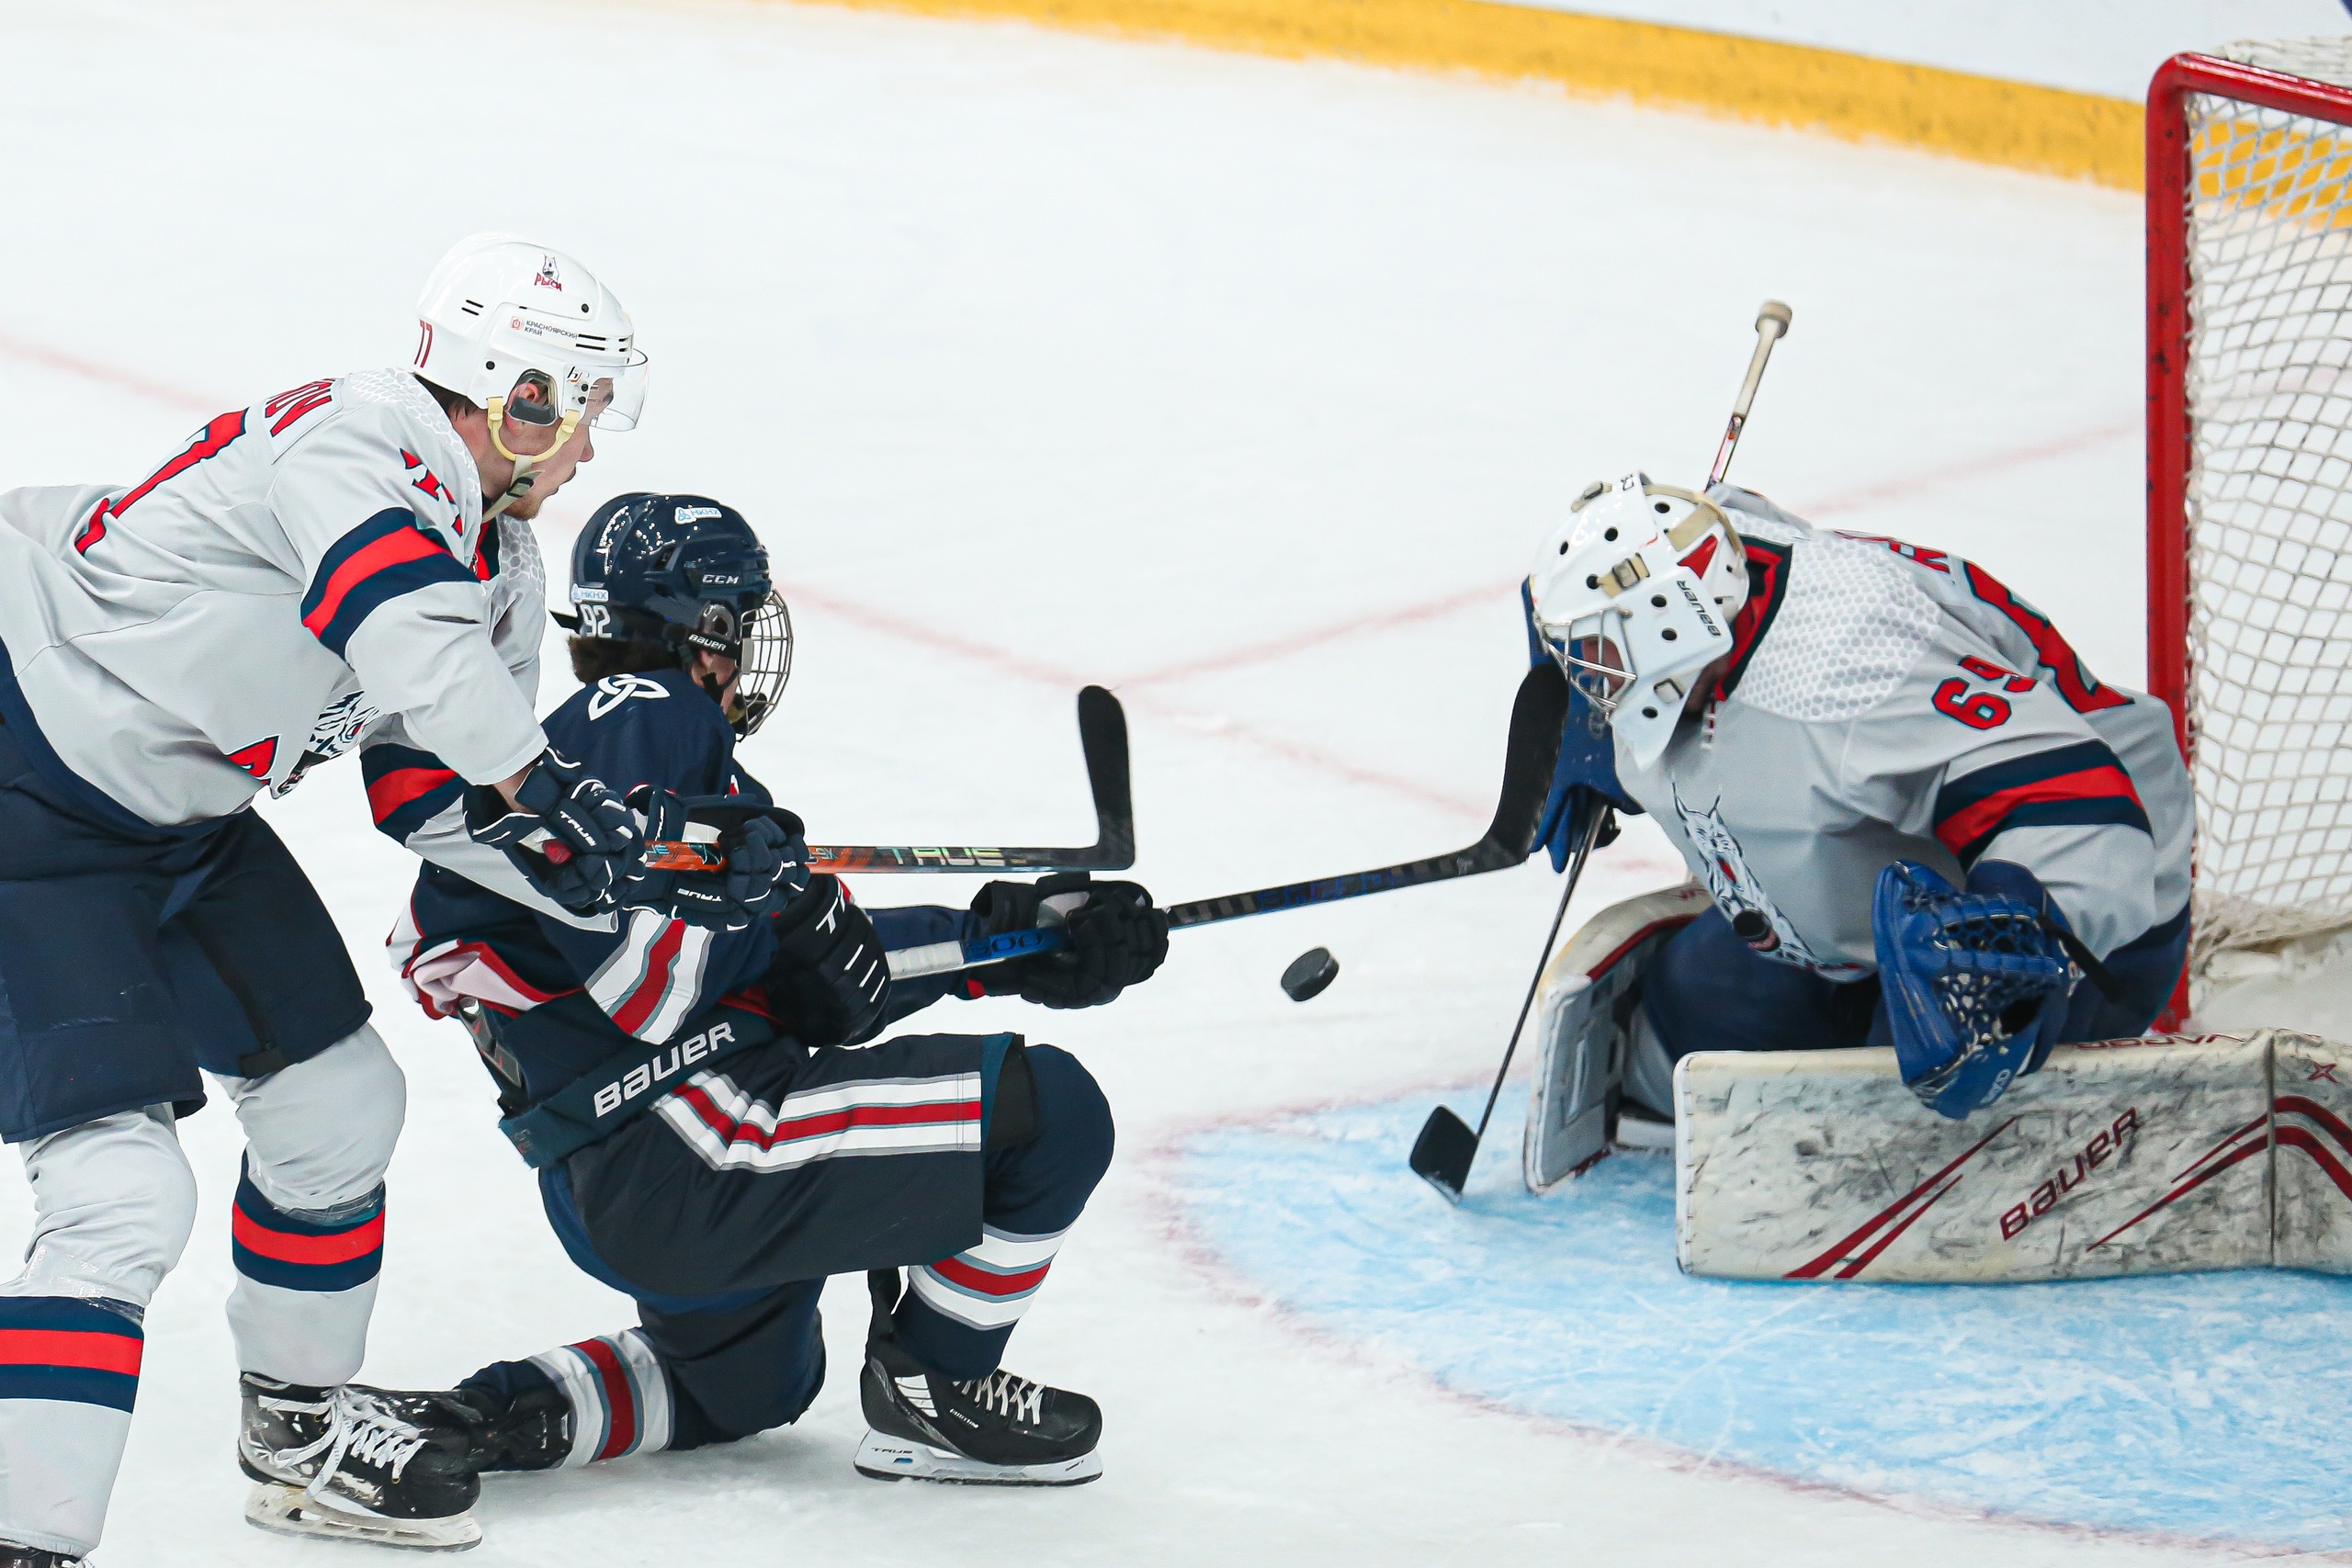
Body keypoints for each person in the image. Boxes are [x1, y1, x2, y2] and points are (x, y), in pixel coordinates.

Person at [0, 233, 663, 1562]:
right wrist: (551, 785)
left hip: (180, 813)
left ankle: (297, 1433)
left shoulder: (499, 562)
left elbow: (433, 792)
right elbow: (408, 640)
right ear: (520, 395)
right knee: (121, 1193)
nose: (590, 447)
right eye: (581, 409)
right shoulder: (358, 443)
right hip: (25, 786)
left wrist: (627, 869)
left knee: (339, 1105)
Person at [356, 493, 1158, 1537]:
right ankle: (936, 1388)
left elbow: (799, 973)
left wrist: (1008, 945)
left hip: (624, 1181)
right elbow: (653, 988)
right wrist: (764, 899)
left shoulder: (624, 766)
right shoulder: (648, 711)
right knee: (1051, 1110)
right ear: (709, 630)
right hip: (696, 1142)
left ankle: (484, 1415)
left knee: (742, 1383)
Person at [1521, 472, 2192, 1127]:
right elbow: (1599, 571)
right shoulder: (1712, 545)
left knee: (1891, 1132)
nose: (1590, 677)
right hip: (1871, 910)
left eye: (1600, 657)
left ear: (1674, 626)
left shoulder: (1850, 669)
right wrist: (1584, 714)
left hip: (2081, 911)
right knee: (1681, 1031)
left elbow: (2073, 802)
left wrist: (2001, 959)